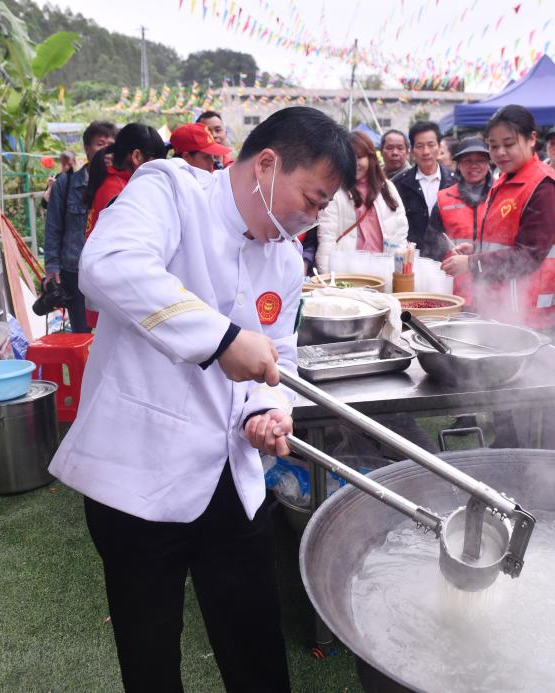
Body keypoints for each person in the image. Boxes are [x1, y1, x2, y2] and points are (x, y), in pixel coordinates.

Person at [49, 106, 356, 692]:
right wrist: (221, 339)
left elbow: (279, 359)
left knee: (257, 648)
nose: (311, 219)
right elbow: (109, 266)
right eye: (312, 200)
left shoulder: (286, 257)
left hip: (229, 475)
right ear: (267, 163)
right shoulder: (170, 190)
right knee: (151, 656)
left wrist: (270, 411)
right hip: (139, 473)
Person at [440, 105, 555, 329]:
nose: (500, 153)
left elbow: (528, 256)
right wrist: (477, 250)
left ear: (532, 139)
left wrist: (471, 262)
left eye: (508, 144)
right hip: (498, 307)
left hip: (528, 315)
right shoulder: (505, 181)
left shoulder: (543, 187)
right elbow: (505, 239)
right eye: (493, 146)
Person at [83, 123, 168, 329]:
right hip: (114, 289)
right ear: (137, 157)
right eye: (156, 162)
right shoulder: (120, 190)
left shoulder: (116, 182)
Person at [44, 121, 117, 334]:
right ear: (86, 148)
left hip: (111, 272)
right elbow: (53, 228)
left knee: (111, 335)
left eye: (111, 144)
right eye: (99, 143)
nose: (106, 149)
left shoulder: (121, 184)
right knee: (82, 335)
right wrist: (52, 267)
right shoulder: (65, 184)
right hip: (75, 273)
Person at [316, 131, 408, 272]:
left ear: (370, 157)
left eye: (359, 158)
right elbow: (327, 238)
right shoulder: (335, 190)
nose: (355, 164)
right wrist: (326, 277)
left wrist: (398, 270)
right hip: (349, 272)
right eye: (350, 159)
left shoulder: (387, 187)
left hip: (383, 271)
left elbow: (400, 232)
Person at [422, 137, 492, 304]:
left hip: (494, 292)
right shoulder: (444, 199)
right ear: (458, 165)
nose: (474, 165)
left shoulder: (503, 196)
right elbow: (431, 250)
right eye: (467, 161)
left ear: (489, 163)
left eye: (480, 160)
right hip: (454, 292)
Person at [392, 121, 455, 247]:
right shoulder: (398, 184)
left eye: (431, 145)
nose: (426, 152)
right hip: (413, 258)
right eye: (420, 146)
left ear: (439, 147)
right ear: (412, 150)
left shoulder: (455, 182)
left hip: (449, 258)